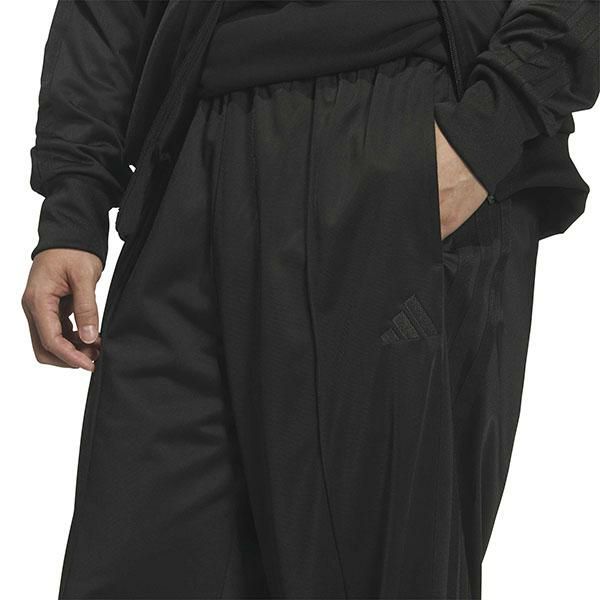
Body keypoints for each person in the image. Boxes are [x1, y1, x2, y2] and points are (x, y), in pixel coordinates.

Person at [22, 1, 599, 599]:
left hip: (402, 117)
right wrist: (74, 202)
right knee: (136, 561)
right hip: (194, 145)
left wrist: (487, 128)